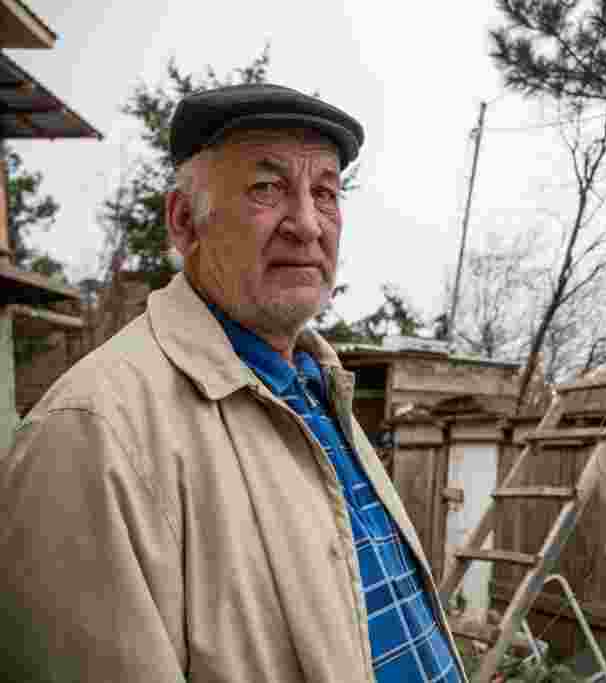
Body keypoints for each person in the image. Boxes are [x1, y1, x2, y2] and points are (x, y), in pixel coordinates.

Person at [1, 84, 466, 683]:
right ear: (183, 221)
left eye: (325, 192)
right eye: (266, 188)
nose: (306, 223)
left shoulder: (316, 388)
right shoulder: (92, 435)